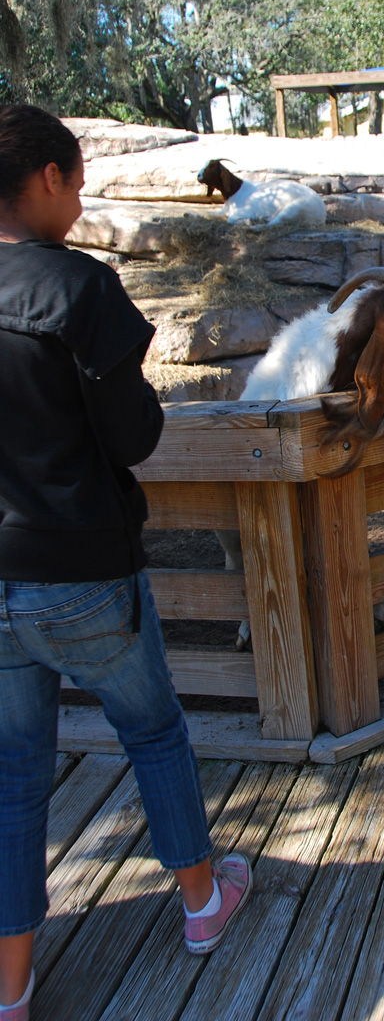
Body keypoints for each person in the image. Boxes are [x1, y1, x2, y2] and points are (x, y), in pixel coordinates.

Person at [0, 105, 252, 1021]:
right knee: (151, 732)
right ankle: (200, 903)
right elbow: (134, 433)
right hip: (81, 571)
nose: (74, 201)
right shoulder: (78, 289)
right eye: (71, 182)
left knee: (14, 771)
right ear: (47, 180)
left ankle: (13, 988)